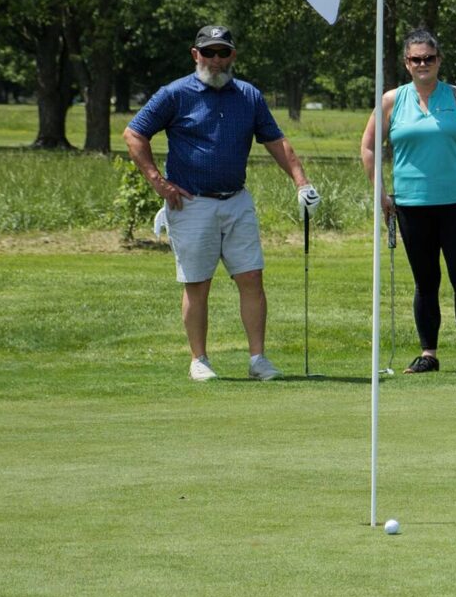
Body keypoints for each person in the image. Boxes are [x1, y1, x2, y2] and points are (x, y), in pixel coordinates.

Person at [122, 25, 321, 382]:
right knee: (197, 283)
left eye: (223, 52)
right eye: (208, 52)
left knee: (252, 277)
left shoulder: (248, 96)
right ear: (195, 54)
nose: (216, 60)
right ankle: (199, 360)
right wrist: (158, 182)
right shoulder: (174, 94)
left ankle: (258, 359)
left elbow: (276, 142)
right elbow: (134, 134)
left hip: (236, 200)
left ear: (233, 56)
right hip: (190, 203)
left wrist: (301, 182)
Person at [361, 29, 456, 376]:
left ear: (439, 60)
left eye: (429, 58)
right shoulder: (390, 101)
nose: (422, 64)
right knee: (425, 281)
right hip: (411, 204)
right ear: (406, 63)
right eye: (415, 59)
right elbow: (368, 147)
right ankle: (428, 354)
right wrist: (380, 193)